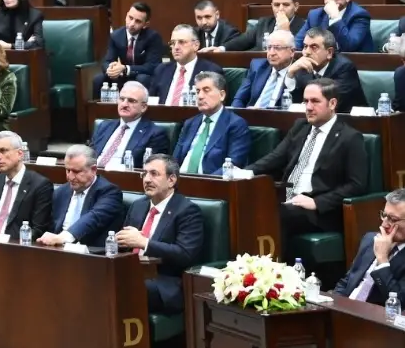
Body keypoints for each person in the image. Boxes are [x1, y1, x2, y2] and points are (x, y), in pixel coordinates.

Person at [247, 80, 368, 253]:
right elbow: (275, 158)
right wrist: (245, 172)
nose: (309, 107)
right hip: (287, 199)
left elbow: (357, 185)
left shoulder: (349, 137)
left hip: (319, 211)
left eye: (315, 101)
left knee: (275, 215)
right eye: (306, 101)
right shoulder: (300, 127)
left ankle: (274, 267)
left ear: (332, 103)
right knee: (248, 208)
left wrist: (317, 202)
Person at [112, 154, 204, 314]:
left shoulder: (187, 210)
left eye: (154, 174)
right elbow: (126, 245)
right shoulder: (138, 205)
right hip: (132, 272)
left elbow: (185, 254)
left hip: (165, 282)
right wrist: (117, 241)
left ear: (171, 180)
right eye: (144, 174)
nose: (147, 179)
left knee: (124, 286)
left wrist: (144, 243)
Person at [36, 144, 125, 250]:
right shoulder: (61, 192)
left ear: (93, 169)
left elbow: (94, 218)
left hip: (91, 253)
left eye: (76, 172)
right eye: (68, 170)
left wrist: (63, 237)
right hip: (59, 250)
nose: (70, 177)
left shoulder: (109, 192)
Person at [0, 132, 50, 237]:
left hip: (14, 244)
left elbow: (38, 230)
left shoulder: (39, 185)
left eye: (3, 151)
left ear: (20, 154)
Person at [169, 72, 250, 175]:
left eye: (206, 90)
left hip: (211, 182)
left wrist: (205, 181)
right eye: (198, 91)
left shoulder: (236, 124)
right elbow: (174, 161)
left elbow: (234, 164)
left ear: (222, 95)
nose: (200, 96)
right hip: (181, 180)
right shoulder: (190, 123)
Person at [333, 189, 405, 302]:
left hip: (373, 312)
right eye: (384, 215)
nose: (384, 224)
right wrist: (334, 304)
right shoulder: (370, 239)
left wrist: (382, 260)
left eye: (393, 219)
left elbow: (399, 302)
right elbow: (346, 283)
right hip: (346, 308)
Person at [303, 0, 374, 53]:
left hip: (351, 60)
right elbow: (298, 45)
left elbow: (349, 47)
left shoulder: (359, 15)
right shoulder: (315, 15)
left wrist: (335, 17)